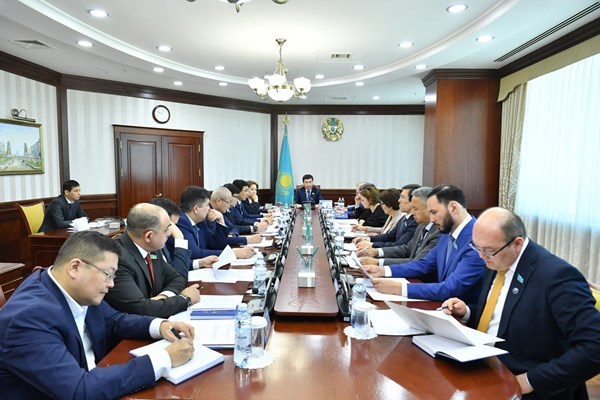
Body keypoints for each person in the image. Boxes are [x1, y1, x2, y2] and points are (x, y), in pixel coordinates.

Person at [0, 230, 195, 399]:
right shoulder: (28, 318)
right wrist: (164, 359)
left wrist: (160, 326)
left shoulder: (73, 287)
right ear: (75, 267)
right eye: (108, 275)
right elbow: (78, 391)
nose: (111, 284)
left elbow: (114, 321)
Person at [441, 207, 600, 399]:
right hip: (485, 366)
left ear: (517, 243)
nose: (481, 256)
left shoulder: (557, 277)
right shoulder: (497, 259)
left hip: (528, 384)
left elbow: (594, 348)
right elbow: (505, 317)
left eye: (488, 251)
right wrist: (467, 312)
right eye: (477, 248)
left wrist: (530, 381)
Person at [367, 184, 485, 303]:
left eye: (434, 212)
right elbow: (424, 264)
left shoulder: (477, 240)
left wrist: (399, 288)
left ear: (453, 208)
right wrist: (383, 270)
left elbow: (450, 288)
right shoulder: (447, 232)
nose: (432, 219)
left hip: (460, 311)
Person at [105, 203, 202, 318]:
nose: (169, 233)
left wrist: (164, 296)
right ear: (149, 236)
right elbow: (140, 309)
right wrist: (185, 299)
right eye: (166, 230)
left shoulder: (151, 248)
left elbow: (177, 277)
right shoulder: (118, 259)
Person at [359, 186, 440, 266]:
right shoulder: (421, 226)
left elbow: (419, 263)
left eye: (415, 208)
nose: (399, 200)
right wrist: (377, 252)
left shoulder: (436, 232)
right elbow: (407, 248)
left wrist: (379, 263)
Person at [149, 196, 212, 279]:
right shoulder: (151, 247)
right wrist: (179, 237)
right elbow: (178, 277)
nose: (172, 231)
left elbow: (171, 267)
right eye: (171, 226)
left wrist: (199, 263)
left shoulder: (160, 244)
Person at [172, 186, 229, 260]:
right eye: (207, 205)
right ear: (196, 209)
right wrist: (230, 253)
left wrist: (220, 220)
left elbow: (217, 245)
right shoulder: (180, 222)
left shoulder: (200, 222)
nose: (210, 209)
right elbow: (194, 253)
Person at [354, 185, 419, 248]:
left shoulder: (413, 221)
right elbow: (389, 236)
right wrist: (368, 239)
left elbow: (399, 245)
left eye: (402, 197)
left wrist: (372, 245)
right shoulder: (404, 218)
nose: (399, 200)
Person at [210, 186, 261, 250]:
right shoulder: (209, 215)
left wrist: (232, 235)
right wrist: (248, 239)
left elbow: (233, 227)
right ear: (219, 201)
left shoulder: (220, 212)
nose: (229, 205)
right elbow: (218, 242)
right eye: (228, 202)